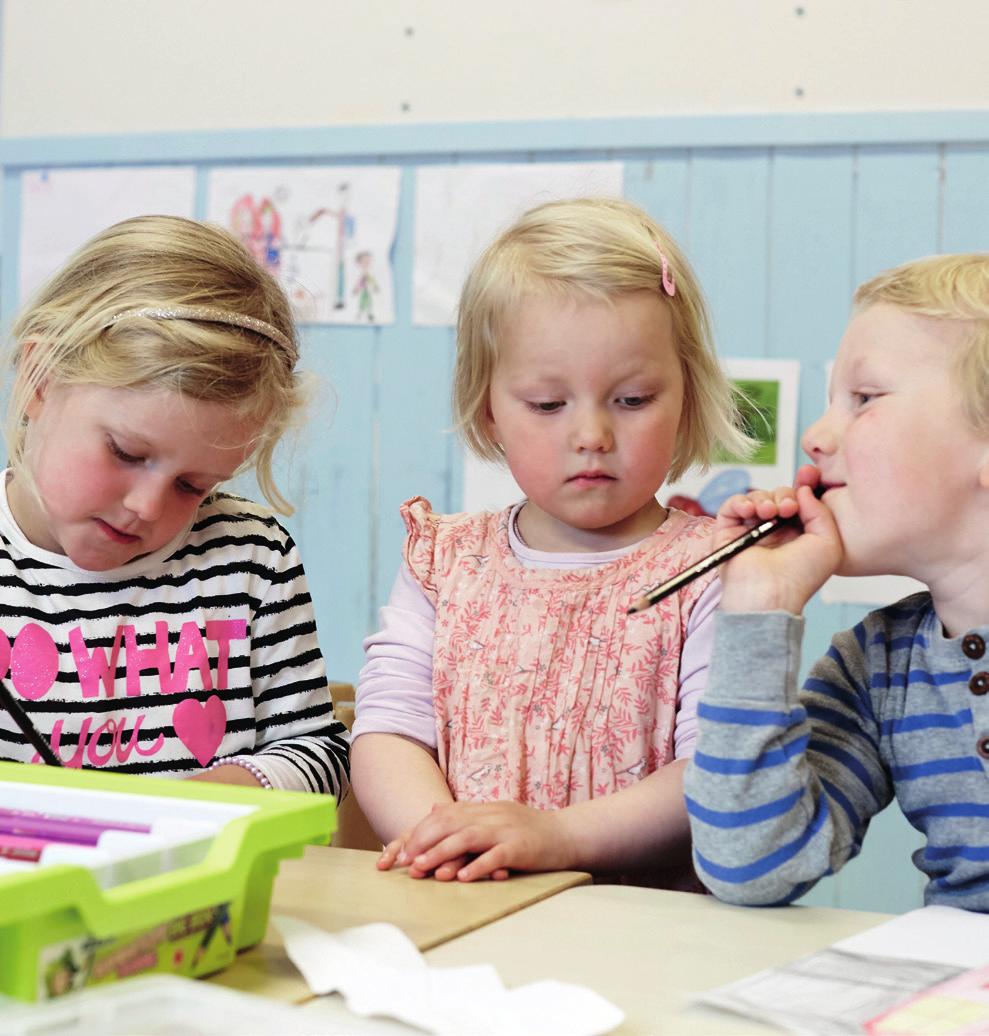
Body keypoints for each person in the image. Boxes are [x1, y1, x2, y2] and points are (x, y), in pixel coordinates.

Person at [352, 197, 752, 883]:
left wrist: (557, 838)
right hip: (464, 899)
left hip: (643, 932)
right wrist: (448, 842)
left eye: (631, 400)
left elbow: (710, 768)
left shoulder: (716, 568)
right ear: (489, 409)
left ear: (686, 395)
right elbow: (387, 731)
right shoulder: (442, 562)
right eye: (546, 404)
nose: (590, 434)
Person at [0, 215, 349, 795]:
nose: (146, 506)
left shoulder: (249, 557)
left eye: (194, 486)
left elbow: (319, 750)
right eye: (126, 452)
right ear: (39, 378)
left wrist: (230, 792)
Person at [684, 253, 989, 911]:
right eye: (830, 402)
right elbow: (750, 869)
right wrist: (757, 608)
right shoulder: (875, 666)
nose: (815, 436)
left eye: (864, 399)